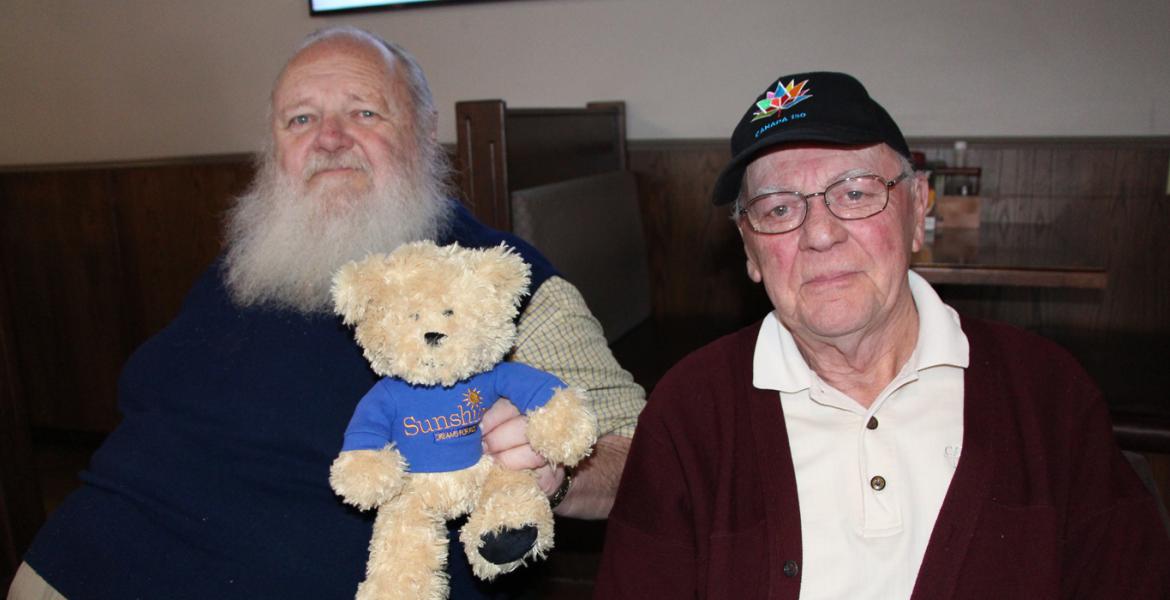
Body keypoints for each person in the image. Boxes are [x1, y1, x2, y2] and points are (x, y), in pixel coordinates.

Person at [10, 26, 643, 600]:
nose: (329, 140)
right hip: (94, 556)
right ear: (274, 147)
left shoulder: (498, 281)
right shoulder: (257, 257)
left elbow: (639, 452)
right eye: (301, 119)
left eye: (364, 112)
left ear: (423, 134)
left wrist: (555, 475)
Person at [594, 72, 1170, 599]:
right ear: (749, 250)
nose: (820, 234)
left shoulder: (1050, 398)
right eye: (777, 209)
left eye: (855, 192)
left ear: (917, 209)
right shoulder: (687, 416)